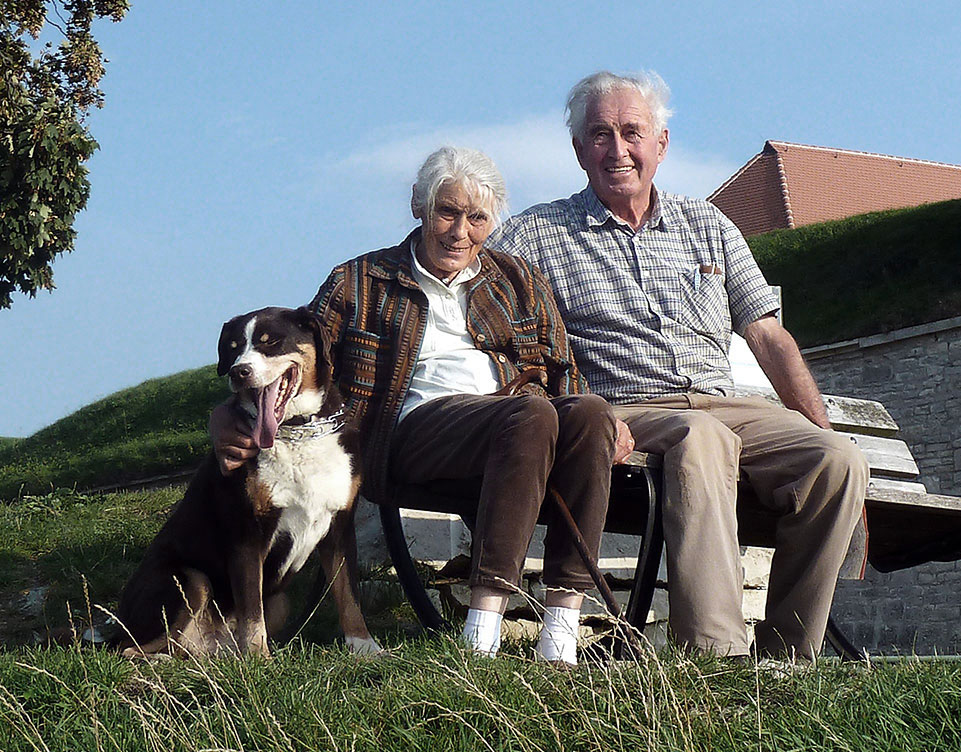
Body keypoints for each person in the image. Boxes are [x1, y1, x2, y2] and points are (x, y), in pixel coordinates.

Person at [491, 71, 869, 661]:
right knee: (702, 438)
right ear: (578, 150)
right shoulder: (534, 236)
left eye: (632, 132)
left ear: (660, 144)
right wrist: (573, 411)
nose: (618, 150)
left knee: (838, 460)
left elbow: (769, 337)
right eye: (600, 134)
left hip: (727, 403)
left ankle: (786, 662)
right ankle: (715, 659)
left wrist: (816, 426)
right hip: (626, 410)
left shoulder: (710, 226)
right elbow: (499, 336)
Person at [211, 146, 632, 665]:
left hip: (516, 426)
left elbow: (565, 369)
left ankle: (561, 633)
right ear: (419, 206)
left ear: (492, 222)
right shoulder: (358, 282)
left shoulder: (519, 281)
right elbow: (299, 360)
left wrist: (608, 418)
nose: (460, 231)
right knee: (532, 413)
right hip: (411, 433)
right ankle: (482, 632)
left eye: (477, 218)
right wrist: (228, 413)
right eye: (447, 212)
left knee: (588, 412)